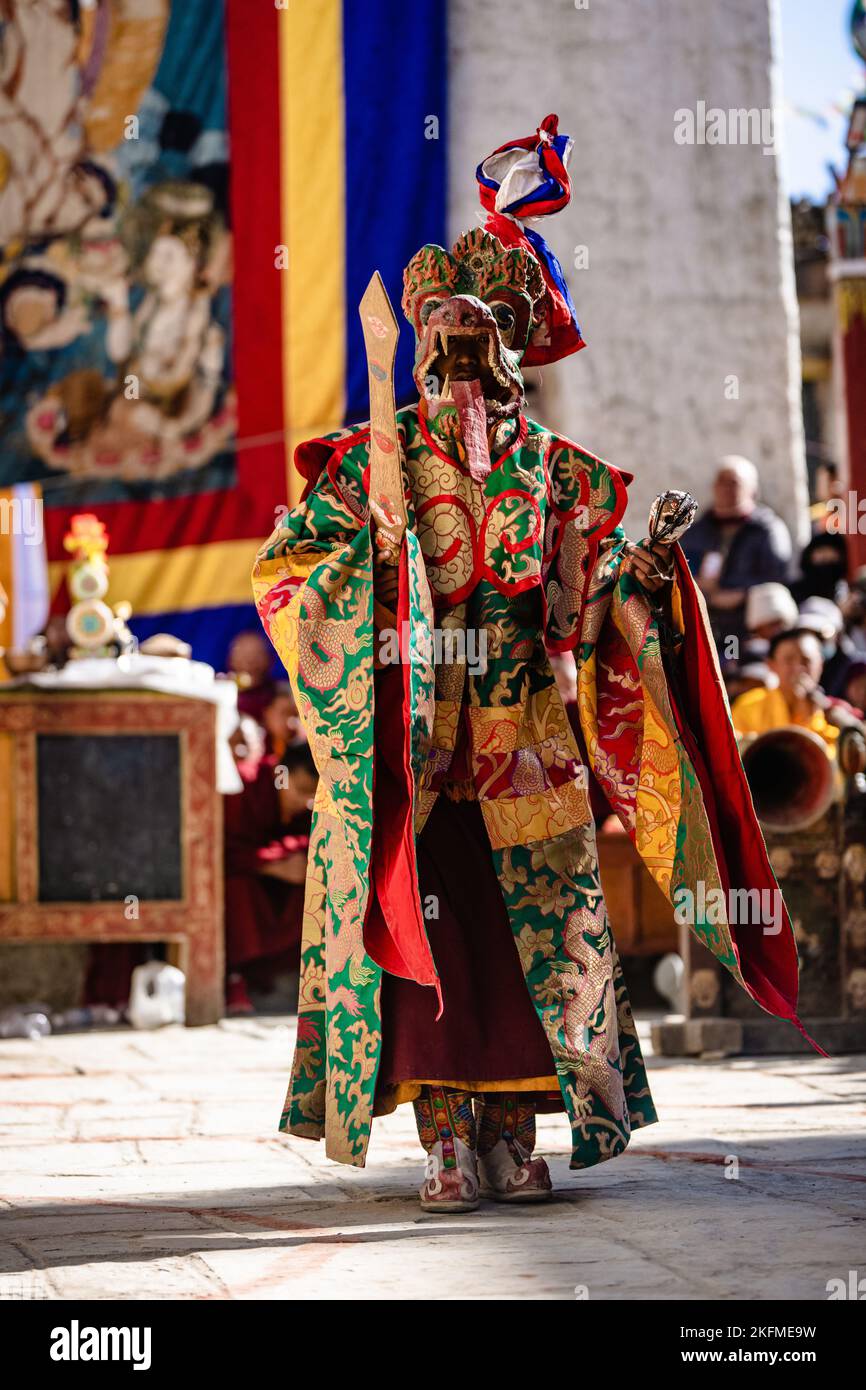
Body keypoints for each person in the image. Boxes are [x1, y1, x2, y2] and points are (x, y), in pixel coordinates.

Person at [251, 115, 816, 1213]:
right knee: (430, 930)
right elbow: (293, 568)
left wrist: (642, 568)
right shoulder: (379, 455)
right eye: (438, 337)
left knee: (532, 946)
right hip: (409, 730)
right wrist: (370, 559)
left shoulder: (561, 474)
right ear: (418, 347)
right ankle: (445, 1138)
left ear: (507, 350)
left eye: (474, 337)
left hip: (525, 733)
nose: (453, 360)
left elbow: (581, 616)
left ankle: (515, 1132)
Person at [223, 742, 318, 1014]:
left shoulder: (306, 805)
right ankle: (235, 978)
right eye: (299, 791)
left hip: (279, 881)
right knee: (239, 889)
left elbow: (310, 840)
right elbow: (219, 851)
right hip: (242, 877)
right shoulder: (243, 784)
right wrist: (271, 866)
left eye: (310, 795)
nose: (303, 802)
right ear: (281, 774)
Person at [682, 455, 792, 650]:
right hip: (704, 625)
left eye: (734, 483)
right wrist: (703, 589)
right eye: (721, 482)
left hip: (751, 629)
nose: (726, 488)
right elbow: (678, 571)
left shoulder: (767, 530)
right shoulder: (695, 531)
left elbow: (777, 579)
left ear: (752, 489)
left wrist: (742, 594)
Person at [731, 627, 855, 750]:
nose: (798, 668)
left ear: (821, 665)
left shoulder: (835, 713)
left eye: (806, 661)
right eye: (789, 660)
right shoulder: (748, 706)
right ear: (771, 665)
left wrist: (811, 716)